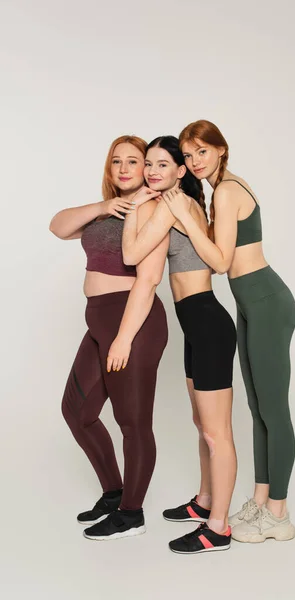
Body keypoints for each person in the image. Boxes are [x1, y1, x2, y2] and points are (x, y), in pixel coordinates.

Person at [160, 120, 295, 543]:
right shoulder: (222, 190)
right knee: (257, 409)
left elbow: (219, 261)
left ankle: (279, 512)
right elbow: (216, 252)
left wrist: (184, 214)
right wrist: (184, 218)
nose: (195, 161)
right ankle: (260, 500)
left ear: (221, 149)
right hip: (249, 303)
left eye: (202, 151)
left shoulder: (229, 190)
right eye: (188, 154)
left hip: (266, 302)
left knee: (274, 410)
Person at [49, 135, 168, 541]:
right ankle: (114, 492)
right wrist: (104, 206)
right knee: (76, 412)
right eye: (116, 161)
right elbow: (58, 226)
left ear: (146, 167)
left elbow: (148, 280)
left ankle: (132, 514)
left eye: (133, 161)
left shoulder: (155, 208)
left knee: (133, 422)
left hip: (132, 321)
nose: (123, 168)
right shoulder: (104, 213)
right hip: (98, 319)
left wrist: (123, 338)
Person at [122, 135, 237, 554]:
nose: (151, 172)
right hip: (196, 325)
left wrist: (135, 206)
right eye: (148, 165)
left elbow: (133, 254)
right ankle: (205, 502)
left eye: (162, 165)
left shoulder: (174, 206)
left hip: (208, 323)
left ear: (180, 171)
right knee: (201, 426)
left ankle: (219, 529)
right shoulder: (175, 203)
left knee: (216, 433)